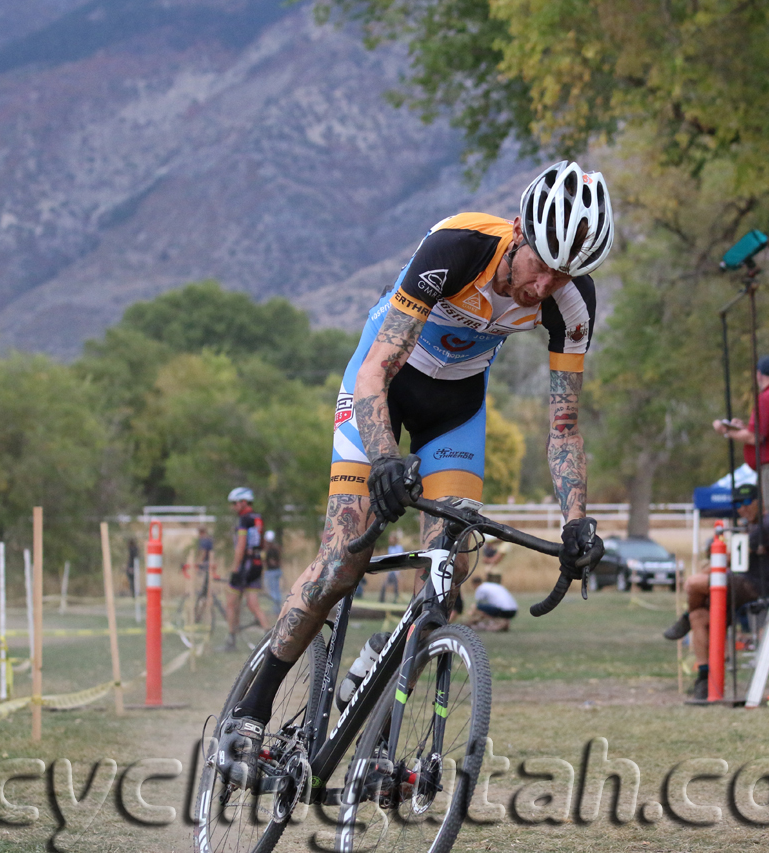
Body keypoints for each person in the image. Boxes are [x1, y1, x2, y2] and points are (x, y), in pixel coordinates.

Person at [214, 161, 613, 789]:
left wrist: (576, 521)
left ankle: (374, 706)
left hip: (454, 414)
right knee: (345, 555)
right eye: (540, 264)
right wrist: (383, 461)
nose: (544, 285)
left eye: (564, 273)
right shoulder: (458, 247)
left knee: (446, 576)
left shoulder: (570, 303)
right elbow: (377, 368)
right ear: (518, 231)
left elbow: (563, 427)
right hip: (382, 389)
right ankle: (249, 711)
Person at [663, 484, 769, 699]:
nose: (742, 508)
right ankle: (704, 678)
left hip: (759, 588)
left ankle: (683, 618)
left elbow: (729, 558)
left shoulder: (766, 525)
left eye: (746, 503)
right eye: (737, 504)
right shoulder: (751, 525)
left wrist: (711, 565)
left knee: (693, 584)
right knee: (699, 617)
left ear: (761, 502)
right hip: (741, 585)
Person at [712, 355, 769, 526]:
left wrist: (725, 430)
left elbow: (754, 437)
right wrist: (743, 428)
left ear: (759, 375)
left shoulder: (767, 398)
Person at [222, 487, 271, 651]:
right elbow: (262, 541)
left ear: (243, 502)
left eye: (235, 503)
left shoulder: (244, 519)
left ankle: (230, 640)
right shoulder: (258, 518)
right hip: (257, 563)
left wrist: (235, 568)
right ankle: (270, 640)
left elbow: (241, 545)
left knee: (230, 603)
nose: (233, 507)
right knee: (253, 604)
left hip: (245, 565)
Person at [263, 530, 283, 611]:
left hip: (272, 571)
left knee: (273, 591)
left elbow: (272, 561)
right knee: (277, 590)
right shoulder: (276, 548)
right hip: (277, 571)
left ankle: (276, 608)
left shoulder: (270, 550)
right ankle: (277, 607)